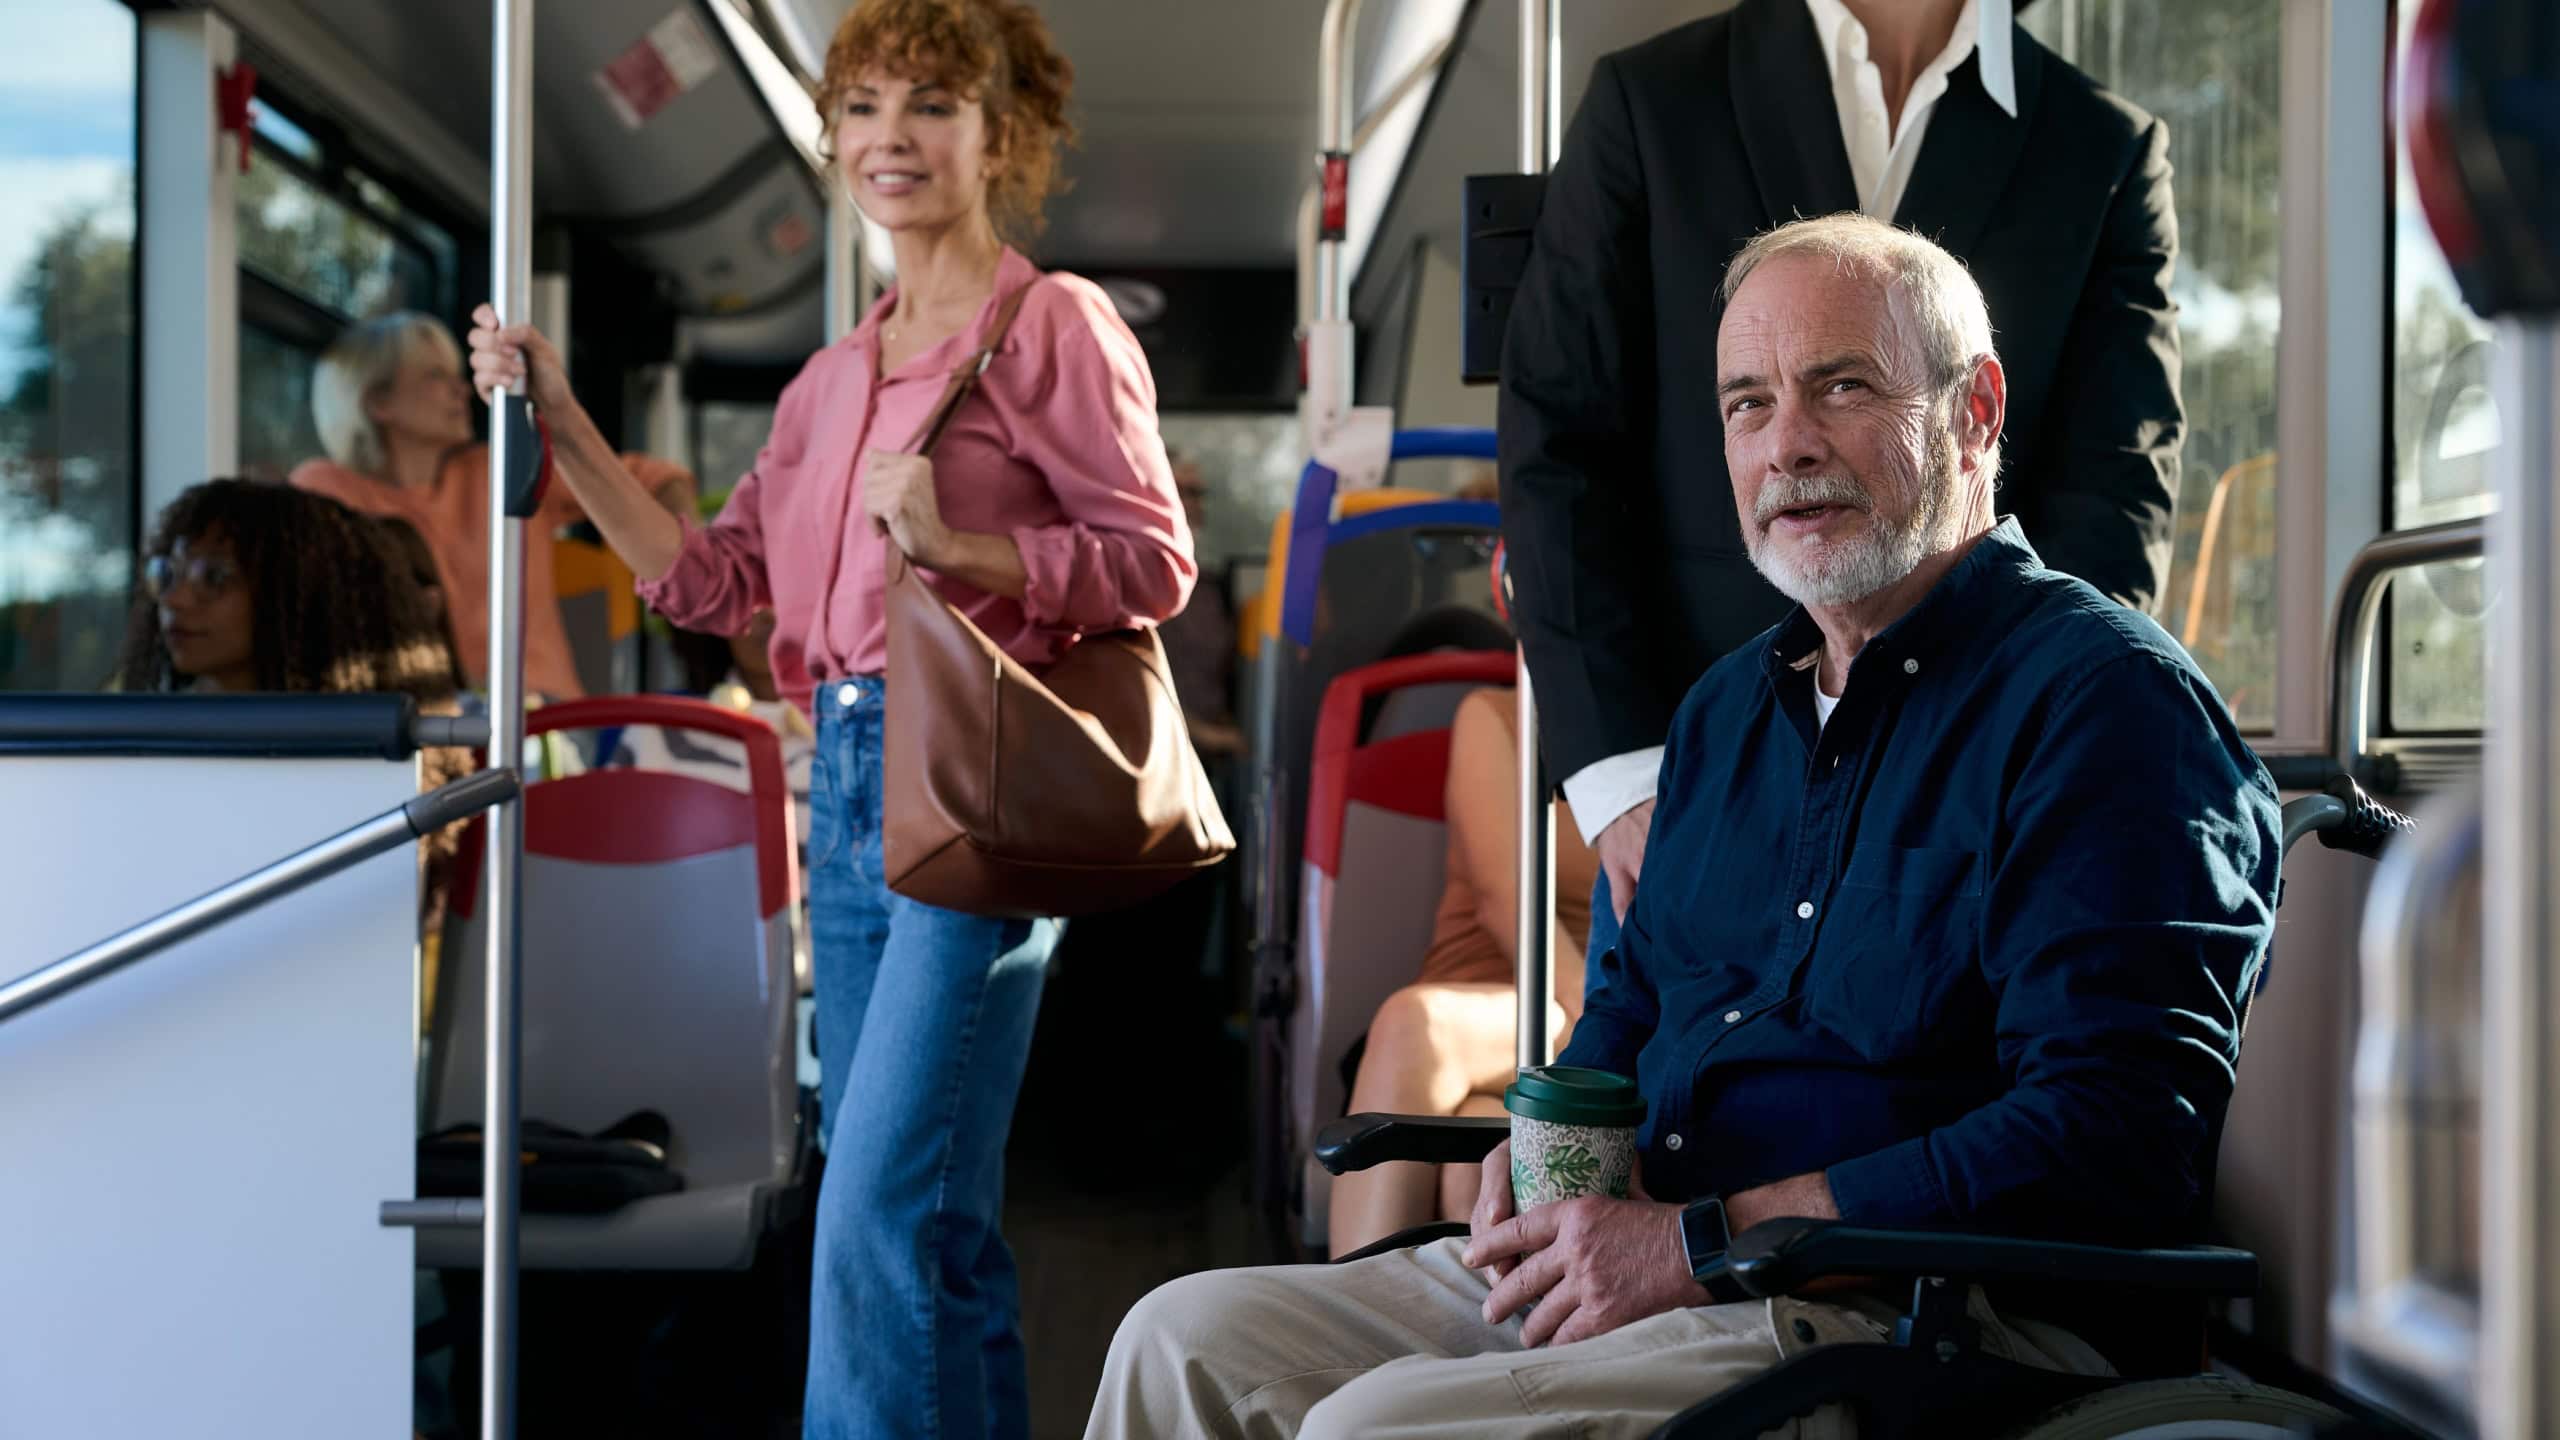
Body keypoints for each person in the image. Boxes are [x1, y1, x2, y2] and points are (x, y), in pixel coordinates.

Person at [1085, 214, 2276, 1440]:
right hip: (1670, 1259)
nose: (1787, 444)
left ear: (1975, 409)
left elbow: (2113, 1133)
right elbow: (1623, 1024)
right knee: (1180, 1342)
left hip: (1922, 1316)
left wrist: (1706, 1243)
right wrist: (1543, 1166)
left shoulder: (2104, 704)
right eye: (1747, 405)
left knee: (1369, 1427)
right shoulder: (1720, 720)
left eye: (1841, 386)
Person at [464, 0, 1193, 1434]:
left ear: (1002, 133)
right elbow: (711, 578)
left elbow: (1154, 563)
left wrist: (968, 549)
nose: (891, 138)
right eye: (861, 107)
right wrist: (564, 418)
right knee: (933, 1225)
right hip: (847, 781)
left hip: (973, 784)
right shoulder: (826, 384)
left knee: (870, 1210)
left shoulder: (1050, 328)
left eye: (930, 104)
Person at [1500, 0, 2183, 934]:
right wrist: (1627, 777)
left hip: (1974, 808)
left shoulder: (2099, 150)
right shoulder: (1653, 103)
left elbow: (2115, 488)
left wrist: (2049, 748)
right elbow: (1559, 446)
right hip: (1699, 792)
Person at [113, 480, 474, 979]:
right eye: (166, 571)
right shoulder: (130, 742)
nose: (175, 598)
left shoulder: (371, 772)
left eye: (215, 577)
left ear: (301, 599)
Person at [292, 310, 697, 701]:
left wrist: (691, 562)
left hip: (545, 716)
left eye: (457, 374)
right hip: (411, 721)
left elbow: (659, 478)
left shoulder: (498, 466)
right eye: (436, 375)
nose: (461, 388)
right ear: (378, 403)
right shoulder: (324, 490)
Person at [1326, 684, 1599, 1259]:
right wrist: (1594, 1021)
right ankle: (1357, 1324)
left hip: (1602, 1013)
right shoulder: (1500, 714)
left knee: (1467, 1181)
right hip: (1525, 1000)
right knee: (1415, 1025)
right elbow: (1507, 898)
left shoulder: (1690, 728)